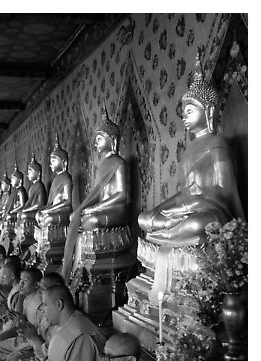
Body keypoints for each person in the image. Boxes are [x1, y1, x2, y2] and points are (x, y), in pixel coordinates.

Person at [138, 54, 244, 247]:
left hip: (208, 211)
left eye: (189, 111)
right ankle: (169, 234)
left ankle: (168, 237)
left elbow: (223, 191)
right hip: (185, 212)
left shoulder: (217, 143)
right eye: (183, 113)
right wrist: (160, 209)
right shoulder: (188, 150)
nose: (184, 118)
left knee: (199, 224)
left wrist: (187, 207)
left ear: (208, 111)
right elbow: (184, 193)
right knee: (144, 219)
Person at [62, 103, 128, 282]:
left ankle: (81, 266)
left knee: (90, 220)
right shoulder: (102, 165)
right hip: (102, 209)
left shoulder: (119, 162)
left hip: (115, 210)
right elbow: (99, 193)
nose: (95, 143)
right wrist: (91, 208)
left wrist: (95, 208)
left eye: (99, 138)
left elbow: (122, 195)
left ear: (111, 139)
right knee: (75, 218)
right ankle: (77, 265)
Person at [0, 271, 65, 361]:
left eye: (43, 289)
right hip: (36, 349)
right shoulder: (43, 307)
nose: (40, 292)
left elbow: (49, 356)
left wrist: (33, 338)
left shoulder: (60, 323)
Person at [0, 267, 43, 361]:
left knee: (10, 358)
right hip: (21, 337)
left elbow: (40, 334)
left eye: (26, 281)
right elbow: (18, 318)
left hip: (31, 343)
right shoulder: (26, 298)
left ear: (36, 285)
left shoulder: (39, 305)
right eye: (21, 280)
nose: (21, 284)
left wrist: (21, 322)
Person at [35, 135, 73, 228]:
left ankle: (48, 237)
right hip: (54, 210)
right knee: (38, 214)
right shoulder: (56, 179)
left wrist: (50, 210)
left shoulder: (66, 177)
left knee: (48, 219)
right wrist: (47, 208)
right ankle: (43, 237)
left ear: (64, 162)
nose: (50, 164)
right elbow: (51, 201)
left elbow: (68, 201)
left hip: (63, 210)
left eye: (53, 161)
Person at [21, 153, 47, 221]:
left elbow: (40, 204)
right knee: (21, 214)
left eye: (29, 172)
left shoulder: (40, 185)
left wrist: (28, 209)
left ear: (38, 173)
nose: (27, 175)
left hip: (37, 211)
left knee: (24, 215)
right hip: (32, 210)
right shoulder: (32, 187)